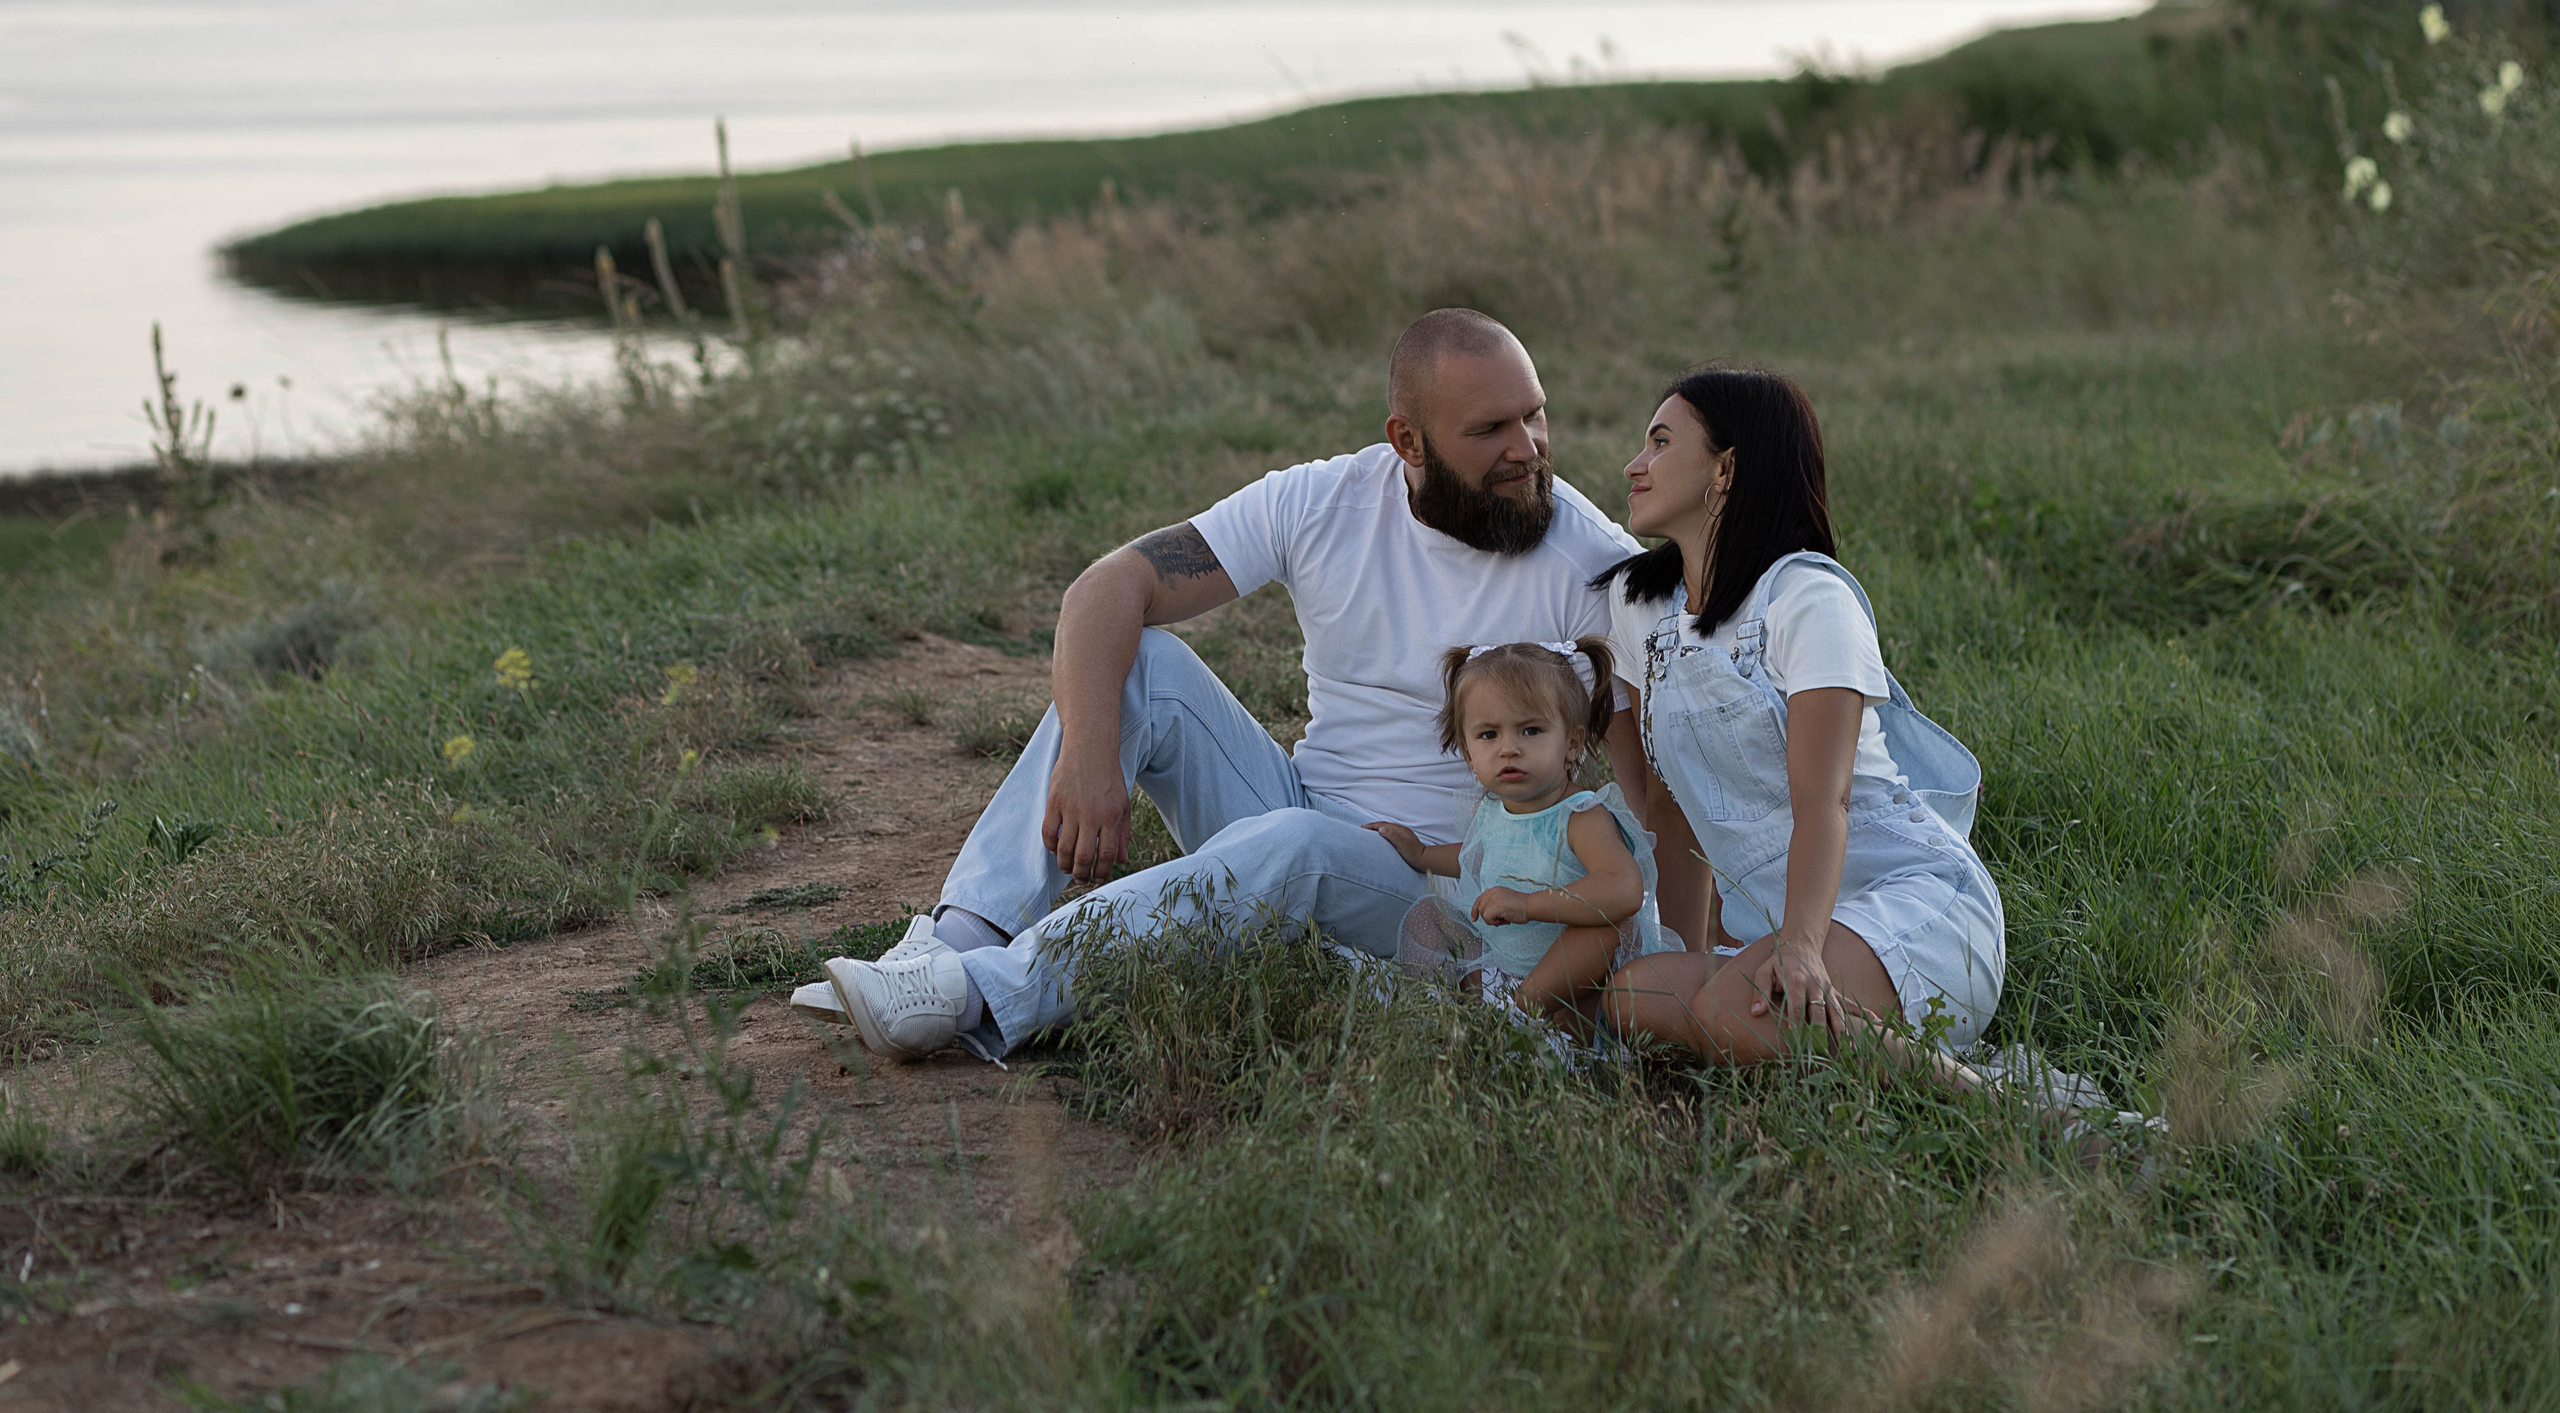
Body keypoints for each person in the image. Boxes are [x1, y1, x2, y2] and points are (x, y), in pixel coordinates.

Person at [793, 309, 1646, 1061]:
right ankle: (952, 944)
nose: (1526, 449)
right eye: (1491, 428)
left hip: (1443, 898)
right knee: (1149, 665)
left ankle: (984, 995)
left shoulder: (1592, 566)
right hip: (1297, 811)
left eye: (1535, 416)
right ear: (1407, 442)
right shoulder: (1324, 501)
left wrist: (1683, 954)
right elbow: (1108, 588)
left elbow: (1661, 782)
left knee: (1295, 846)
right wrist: (1090, 755)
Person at [1597, 367, 2005, 1076]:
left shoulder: (1809, 598)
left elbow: (1826, 800)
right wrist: (1684, 954)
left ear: (1726, 468)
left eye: (1660, 442)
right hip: (1775, 932)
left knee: (1729, 1008)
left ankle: (2013, 1110)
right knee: (1635, 996)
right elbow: (1670, 809)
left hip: (1910, 904)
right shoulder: (1641, 609)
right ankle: (1803, 1028)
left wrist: (1802, 944)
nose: (1635, 464)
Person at [1371, 638, 1669, 1033]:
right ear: (1468, 752)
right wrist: (1423, 854)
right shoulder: (1494, 808)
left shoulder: (1580, 816)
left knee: (1608, 927)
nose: (1508, 749)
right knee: (1431, 915)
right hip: (1502, 964)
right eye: (1489, 735)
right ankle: (1432, 1013)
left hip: (1575, 987)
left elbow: (1624, 890)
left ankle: (1523, 1016)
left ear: (1572, 744)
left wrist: (1529, 905)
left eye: (1530, 730)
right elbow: (1480, 855)